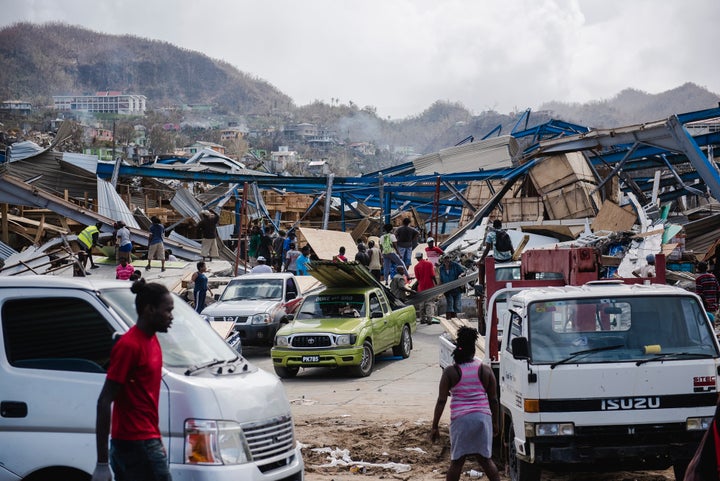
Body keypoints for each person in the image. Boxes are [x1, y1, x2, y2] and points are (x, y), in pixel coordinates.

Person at [91, 280, 174, 481]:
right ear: (149, 309)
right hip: (134, 445)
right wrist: (102, 464)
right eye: (167, 311)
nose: (171, 317)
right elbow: (104, 400)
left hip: (147, 440)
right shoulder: (129, 346)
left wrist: (156, 439)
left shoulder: (152, 340)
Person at [431, 326, 500, 481]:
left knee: (457, 462)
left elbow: (442, 400)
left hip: (460, 420)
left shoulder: (450, 372)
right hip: (482, 418)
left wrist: (435, 426)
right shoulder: (485, 370)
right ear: (474, 349)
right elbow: (493, 399)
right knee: (485, 460)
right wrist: (495, 423)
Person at [414, 252, 437, 324]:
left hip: (421, 288)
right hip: (430, 287)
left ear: (417, 258)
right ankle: (429, 319)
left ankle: (422, 319)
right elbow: (432, 275)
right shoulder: (429, 264)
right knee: (429, 303)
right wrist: (436, 283)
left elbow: (418, 278)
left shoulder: (416, 267)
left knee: (421, 304)